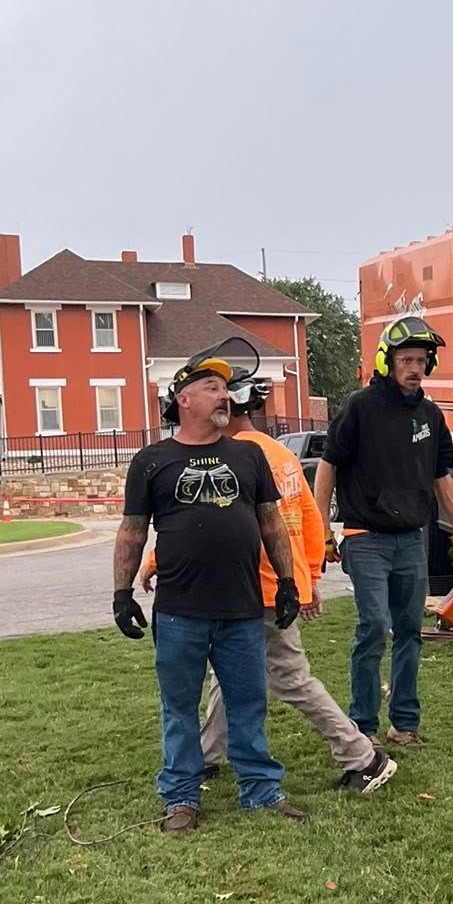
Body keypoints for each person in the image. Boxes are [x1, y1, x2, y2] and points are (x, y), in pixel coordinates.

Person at [143, 380, 397, 796]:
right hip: (275, 584)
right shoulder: (279, 452)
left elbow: (210, 524)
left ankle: (363, 756)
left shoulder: (237, 457)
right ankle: (206, 756)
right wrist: (308, 577)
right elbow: (308, 519)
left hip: (253, 587)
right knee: (227, 678)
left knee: (292, 679)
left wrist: (154, 561)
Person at [112, 347, 306, 834]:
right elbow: (133, 531)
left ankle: (260, 791)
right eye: (213, 388)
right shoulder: (152, 461)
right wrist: (121, 593)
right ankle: (180, 798)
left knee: (248, 704)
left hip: (242, 608)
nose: (225, 395)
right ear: (184, 398)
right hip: (179, 612)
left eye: (225, 388)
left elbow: (271, 522)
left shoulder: (248, 454)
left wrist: (287, 582)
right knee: (179, 708)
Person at [313, 315, 453, 748]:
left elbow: (442, 474)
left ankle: (405, 723)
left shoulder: (431, 413)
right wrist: (322, 527)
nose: (414, 368)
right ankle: (362, 725)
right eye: (406, 360)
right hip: (366, 537)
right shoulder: (360, 407)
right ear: (388, 361)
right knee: (375, 626)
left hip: (411, 539)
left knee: (409, 630)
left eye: (421, 360)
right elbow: (329, 465)